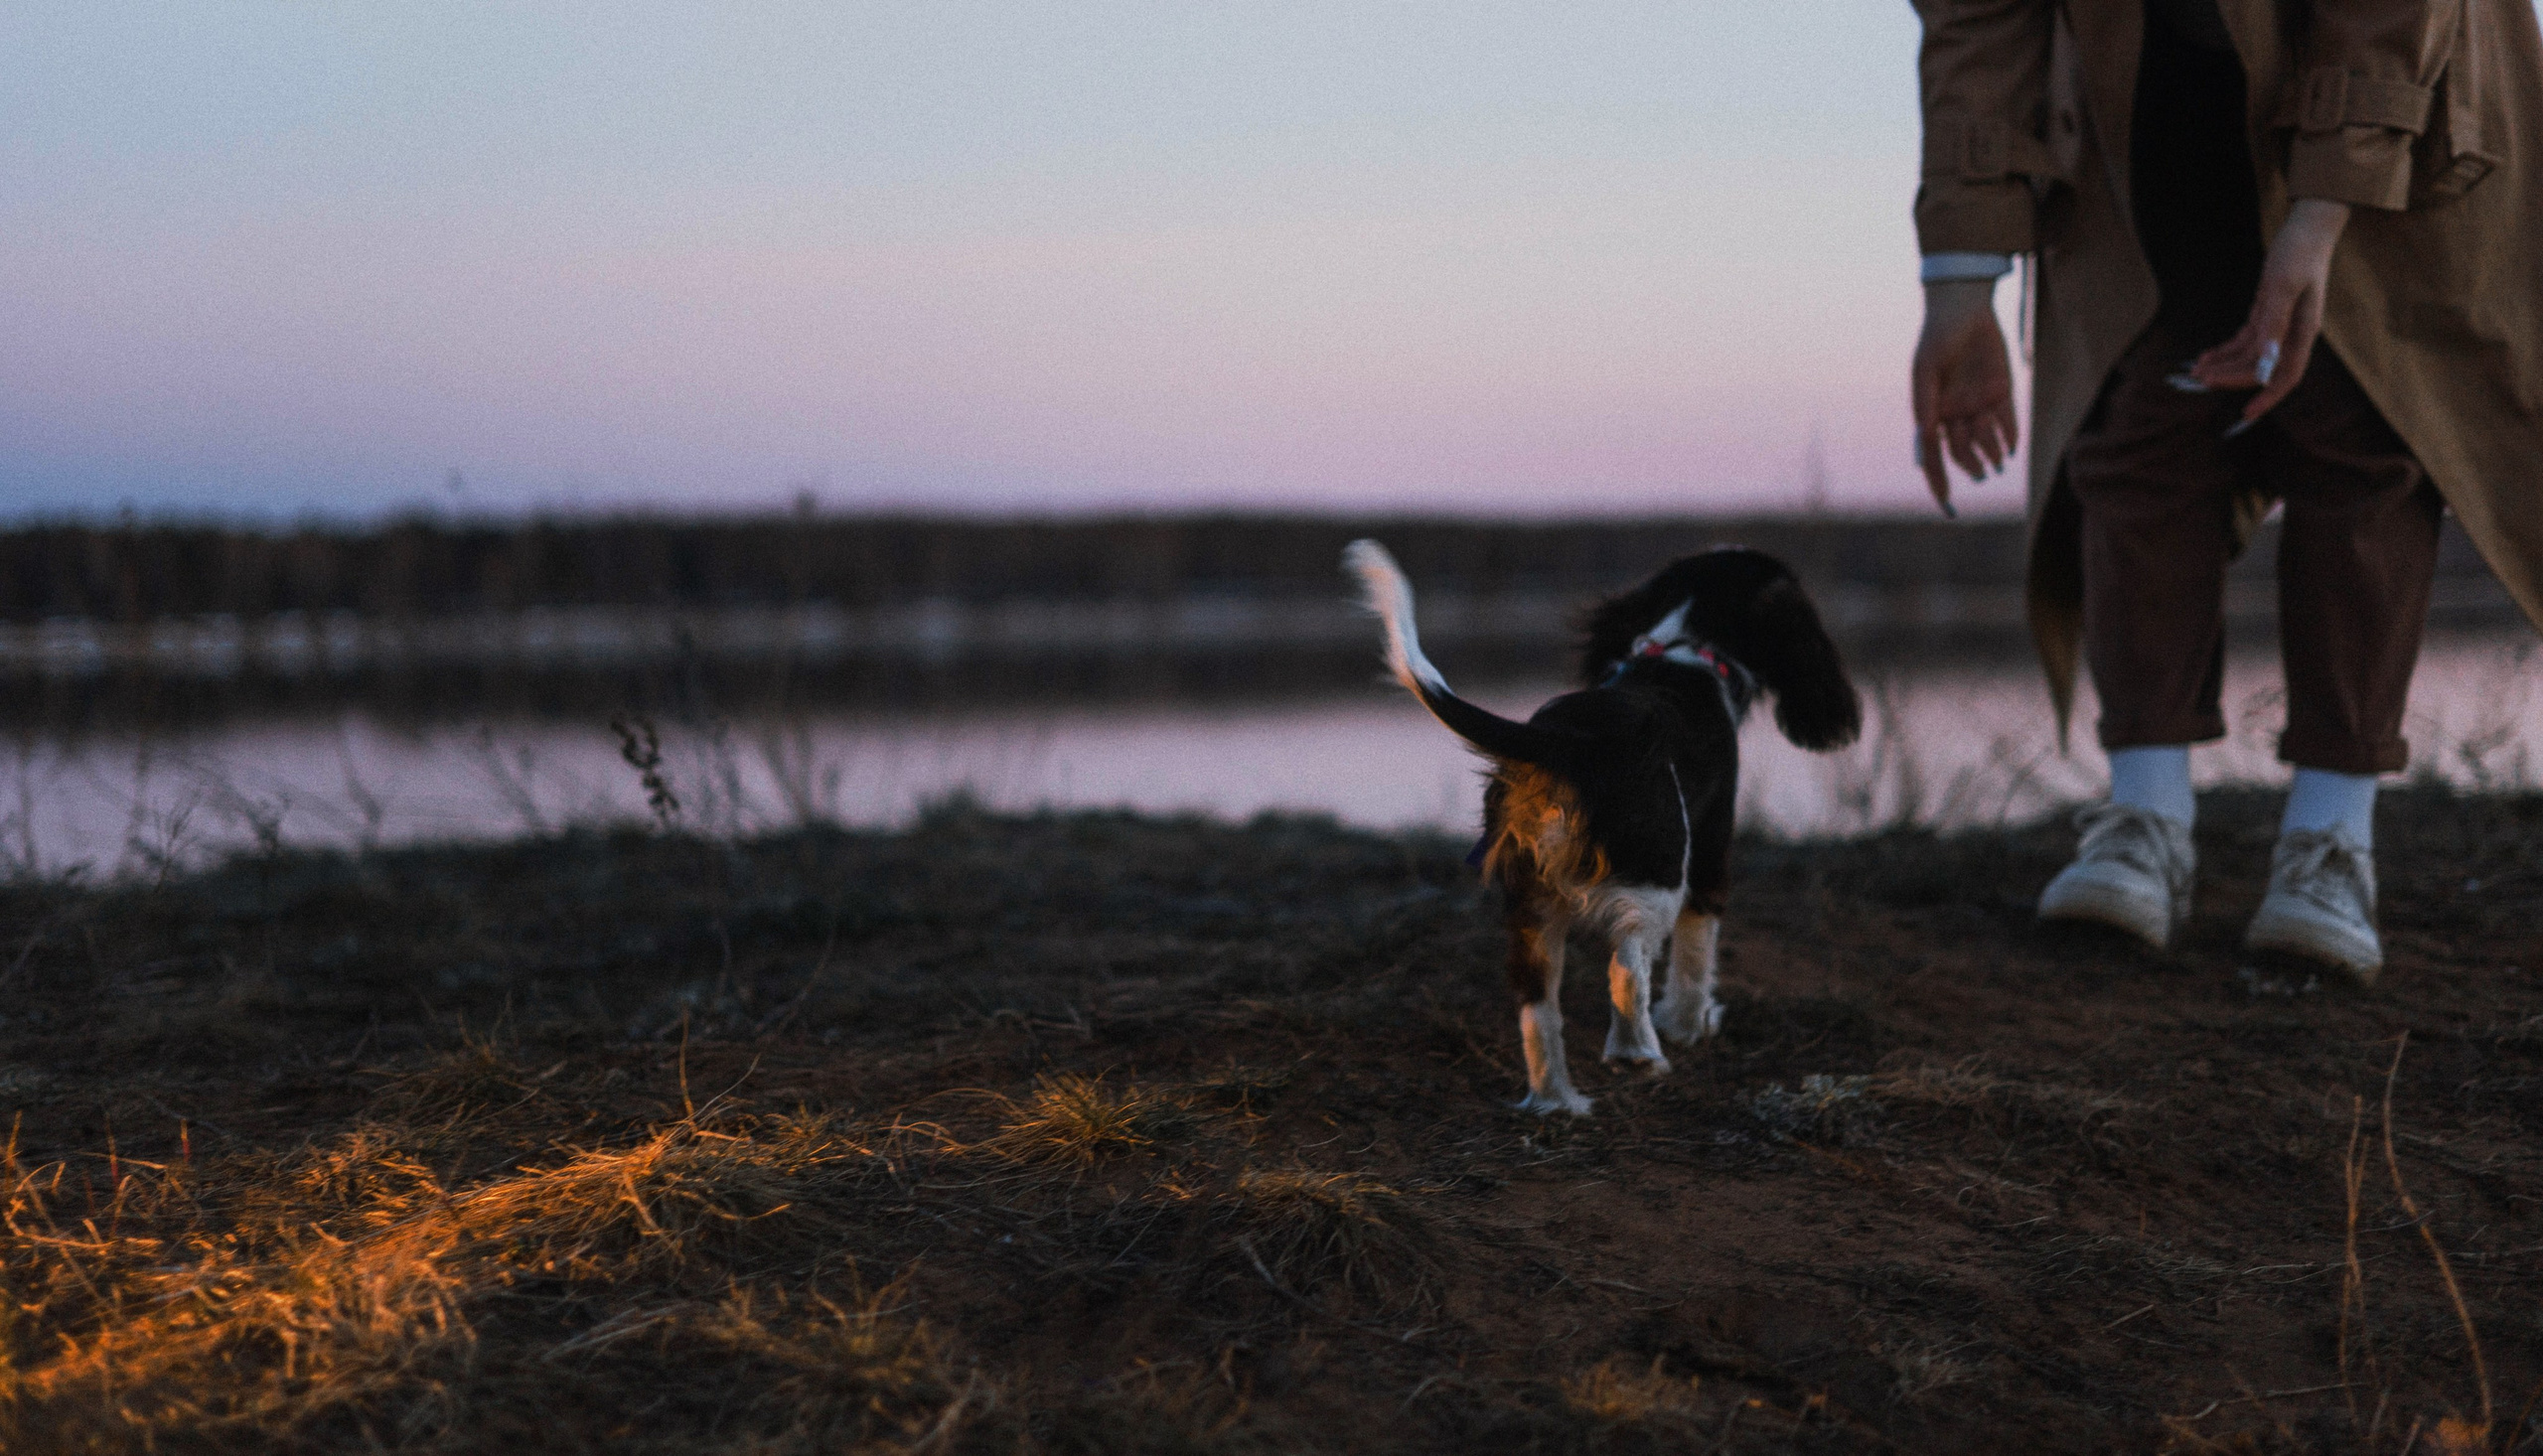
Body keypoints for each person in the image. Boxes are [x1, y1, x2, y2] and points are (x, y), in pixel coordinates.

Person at [1909, 0, 2543, 979]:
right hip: (2147, 105)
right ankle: (2144, 818)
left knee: (2357, 425)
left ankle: (2332, 841)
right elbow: (1976, 17)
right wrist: (1959, 278)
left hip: (2398, 83)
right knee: (2134, 420)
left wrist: (2320, 211)